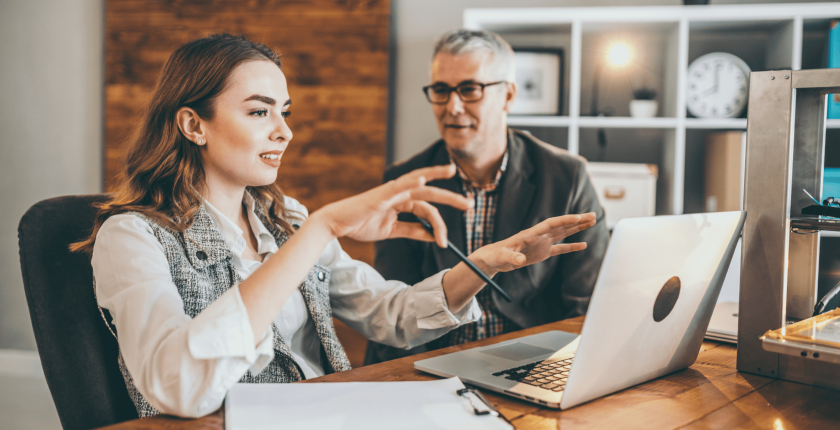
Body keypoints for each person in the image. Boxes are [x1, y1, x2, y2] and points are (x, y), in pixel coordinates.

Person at [70, 34, 597, 418]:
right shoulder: (132, 237)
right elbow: (178, 388)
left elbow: (392, 315)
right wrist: (320, 231)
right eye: (259, 113)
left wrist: (482, 265)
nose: (285, 131)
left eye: (285, 111)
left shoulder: (285, 217)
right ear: (193, 124)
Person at [365, 29, 609, 365]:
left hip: (533, 361)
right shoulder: (404, 180)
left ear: (508, 95)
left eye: (470, 90)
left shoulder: (568, 177)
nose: (452, 106)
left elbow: (586, 306)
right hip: (437, 363)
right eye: (441, 90)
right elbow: (392, 306)